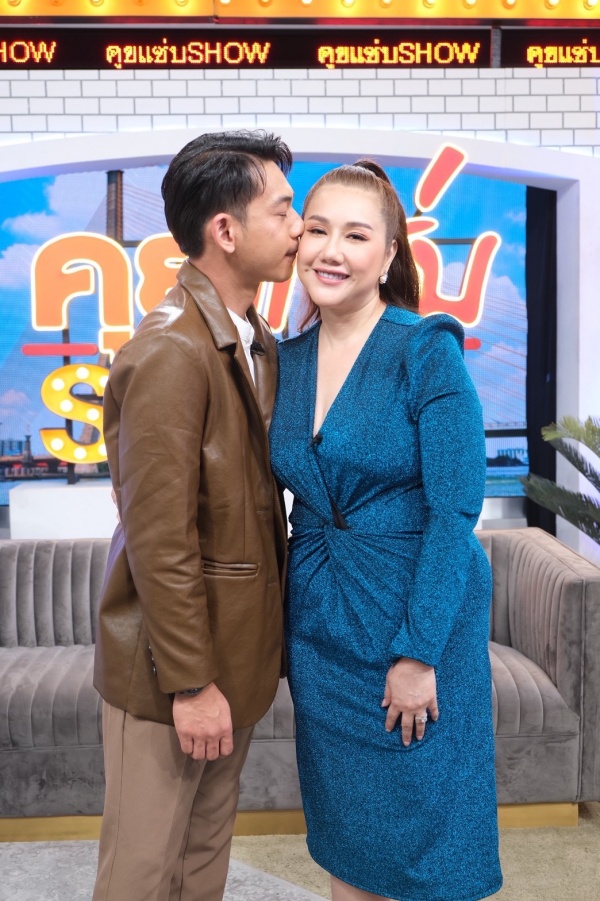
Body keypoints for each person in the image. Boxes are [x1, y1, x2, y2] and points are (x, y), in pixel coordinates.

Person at [269, 161, 503, 901]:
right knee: (346, 836)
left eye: (356, 235)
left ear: (390, 253)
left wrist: (419, 651)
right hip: (322, 628)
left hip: (413, 618)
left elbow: (456, 510)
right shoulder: (285, 360)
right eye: (317, 230)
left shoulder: (424, 347)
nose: (331, 251)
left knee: (429, 843)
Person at [92, 130, 303, 901]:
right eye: (283, 210)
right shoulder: (171, 349)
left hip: (233, 661)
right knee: (143, 873)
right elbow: (160, 538)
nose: (300, 227)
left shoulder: (252, 339)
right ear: (225, 229)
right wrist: (190, 684)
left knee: (201, 862)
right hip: (172, 676)